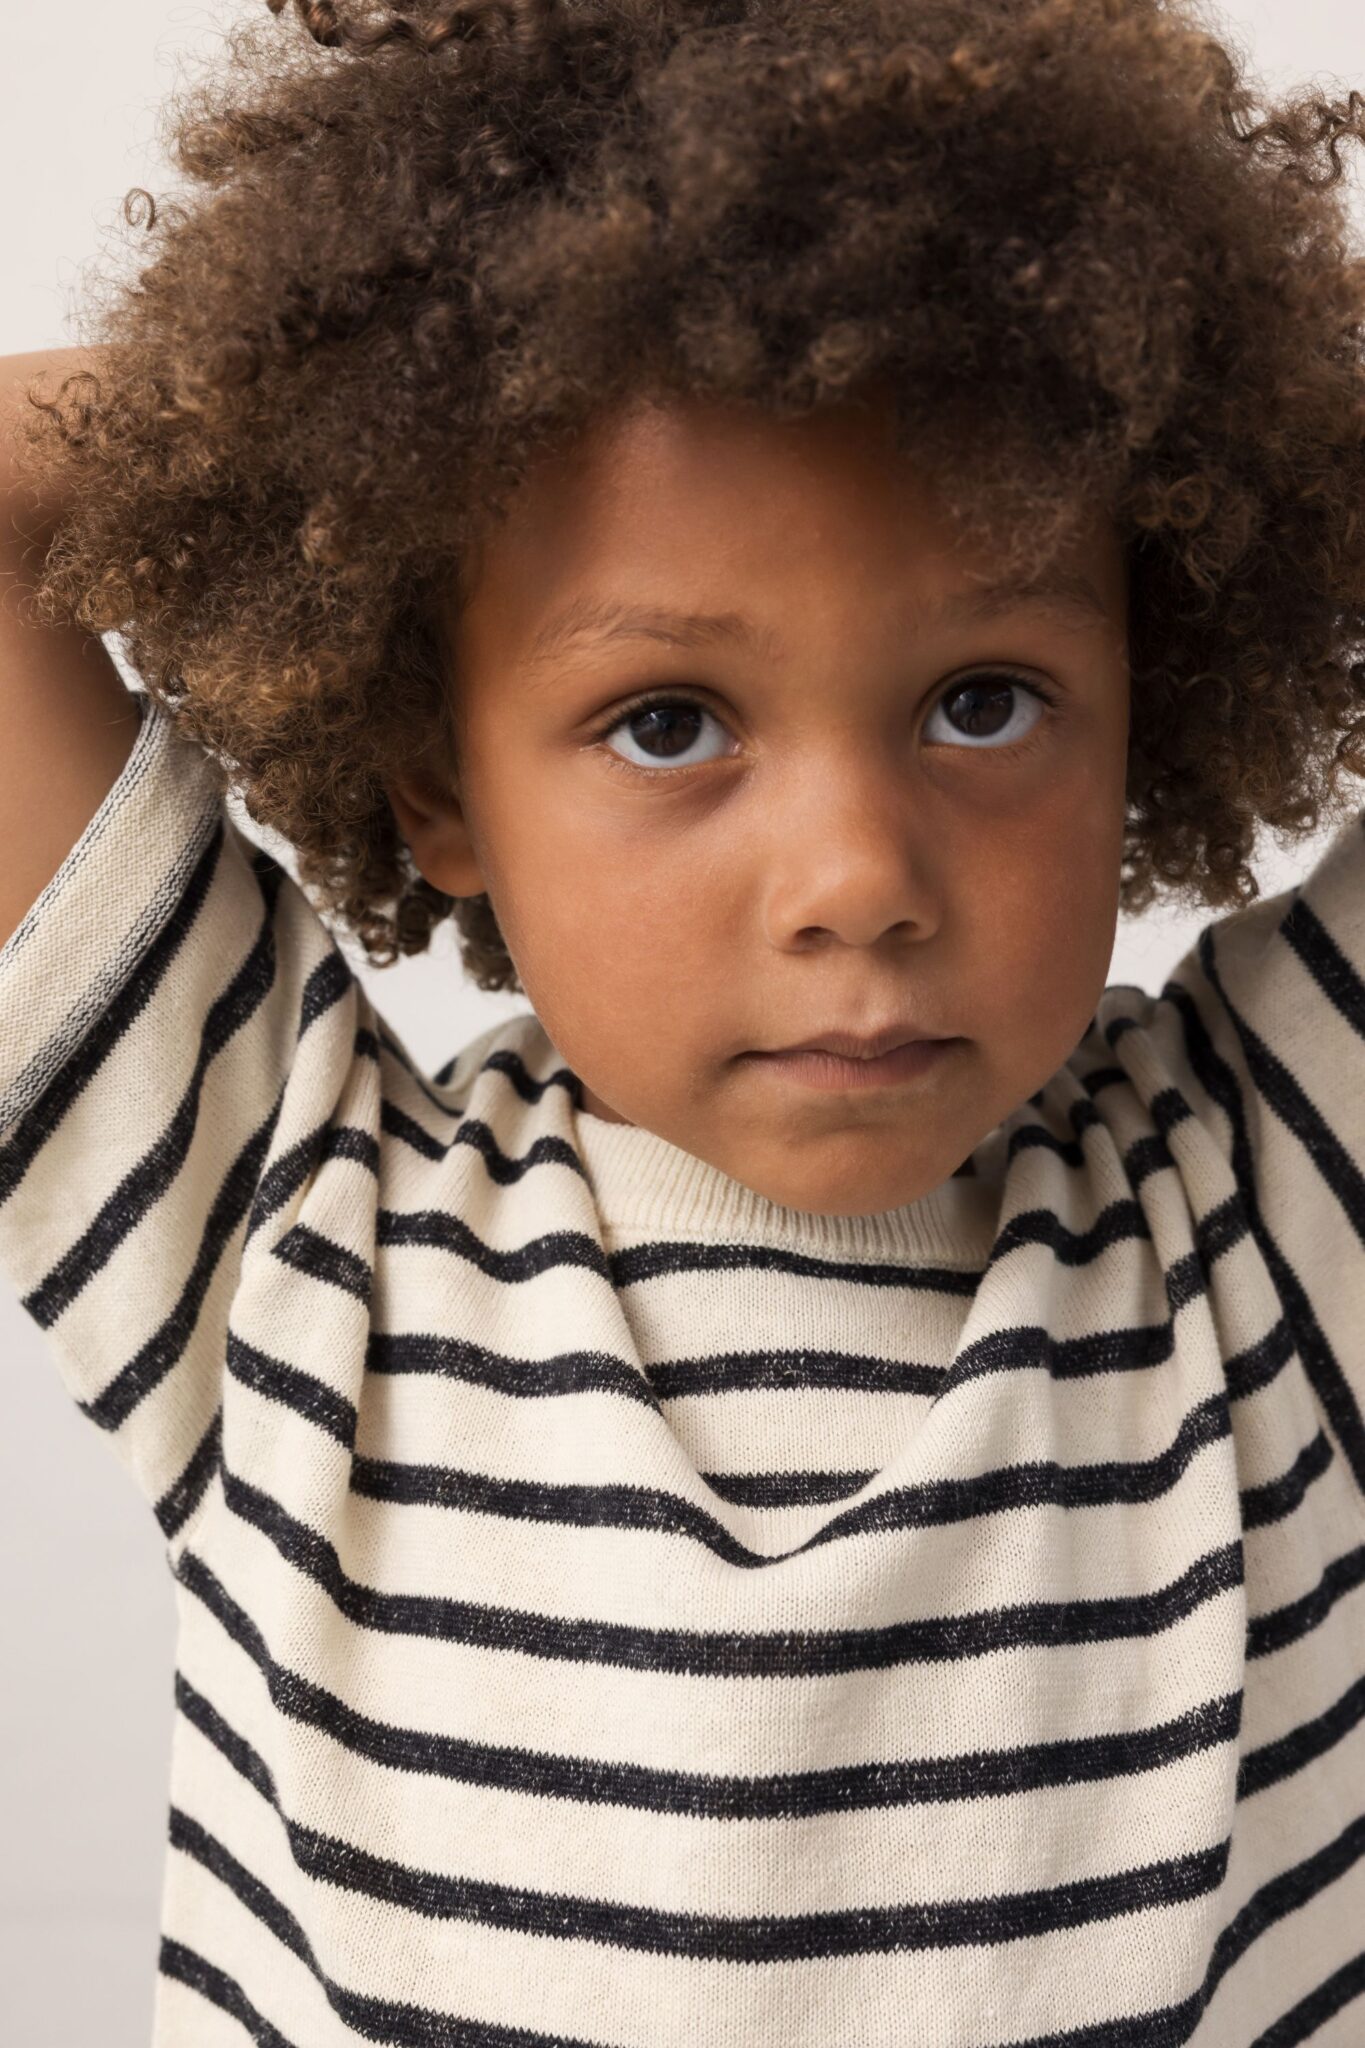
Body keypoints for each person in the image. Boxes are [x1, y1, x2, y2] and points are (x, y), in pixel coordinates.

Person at [3, 0, 1364, 2040]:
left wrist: (1237, 383)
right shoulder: (286, 1238)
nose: (857, 878)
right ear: (436, 781)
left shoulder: (1271, 1217)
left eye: (979, 697)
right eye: (667, 722)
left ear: (1143, 702)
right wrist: (319, 407)